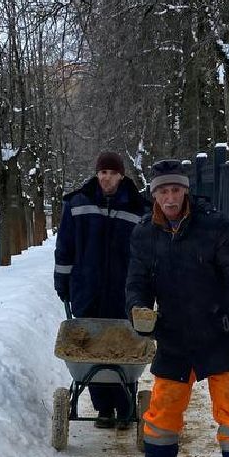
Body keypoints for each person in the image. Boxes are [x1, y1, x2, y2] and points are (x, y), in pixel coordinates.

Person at [126, 159, 229, 457]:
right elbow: (137, 280)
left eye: (175, 190)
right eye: (163, 192)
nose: (170, 198)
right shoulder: (145, 233)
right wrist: (138, 309)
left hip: (220, 329)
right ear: (155, 196)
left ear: (185, 192)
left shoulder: (213, 226)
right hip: (174, 332)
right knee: (165, 403)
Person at [54, 150, 149, 428]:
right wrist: (63, 281)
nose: (107, 178)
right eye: (102, 172)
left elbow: (145, 253)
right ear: (97, 174)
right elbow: (65, 247)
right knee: (92, 348)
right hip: (87, 287)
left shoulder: (138, 208)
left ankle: (124, 406)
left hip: (124, 290)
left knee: (121, 347)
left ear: (122, 175)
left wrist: (146, 287)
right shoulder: (77, 204)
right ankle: (104, 409)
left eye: (112, 173)